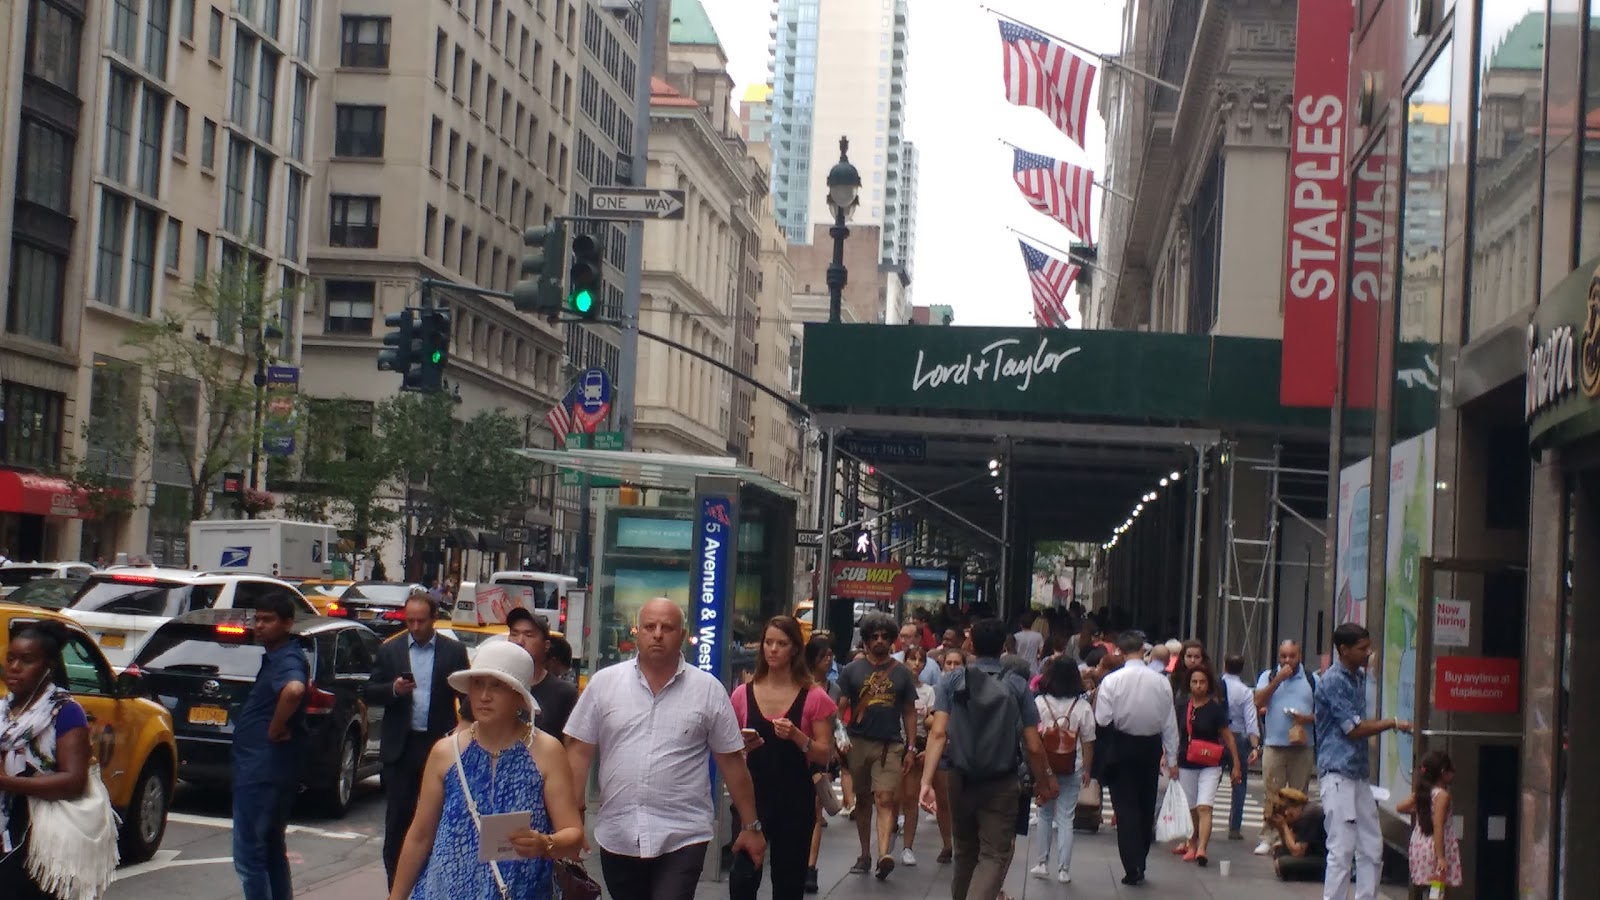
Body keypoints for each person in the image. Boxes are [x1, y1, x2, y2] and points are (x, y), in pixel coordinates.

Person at [564, 598, 766, 900]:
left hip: (683, 835)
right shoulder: (604, 684)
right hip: (618, 833)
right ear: (637, 633)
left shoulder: (707, 689)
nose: (657, 634)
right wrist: (572, 821)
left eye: (667, 627)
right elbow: (579, 753)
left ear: (682, 635)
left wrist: (751, 826)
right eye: (650, 627)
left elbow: (732, 762)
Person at [386, 641, 585, 900]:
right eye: (478, 684)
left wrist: (545, 843)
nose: (484, 696)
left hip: (521, 890)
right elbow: (420, 836)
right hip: (445, 890)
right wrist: (397, 896)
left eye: (497, 686)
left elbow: (573, 833)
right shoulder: (446, 751)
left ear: (519, 695)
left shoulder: (547, 751)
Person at [920, 617, 1056, 900]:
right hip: (1001, 780)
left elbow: (938, 733)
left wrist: (926, 781)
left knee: (965, 852)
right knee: (994, 854)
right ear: (1005, 647)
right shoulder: (1018, 685)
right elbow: (1032, 744)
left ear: (971, 645)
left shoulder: (952, 680)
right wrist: (1043, 780)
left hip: (960, 776)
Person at [369, 591, 471, 886]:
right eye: (409, 620)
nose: (414, 627)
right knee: (398, 822)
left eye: (420, 621)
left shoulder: (453, 652)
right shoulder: (390, 650)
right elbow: (371, 690)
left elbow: (466, 697)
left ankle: (431, 883)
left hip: (437, 745)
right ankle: (396, 886)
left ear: (434, 619)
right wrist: (394, 689)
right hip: (401, 747)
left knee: (436, 820)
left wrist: (463, 731)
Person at [729, 616, 835, 900]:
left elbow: (825, 752)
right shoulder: (742, 694)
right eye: (768, 642)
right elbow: (727, 748)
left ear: (795, 650)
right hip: (752, 797)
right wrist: (744, 746)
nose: (773, 649)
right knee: (742, 878)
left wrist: (799, 737)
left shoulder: (814, 697)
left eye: (782, 643)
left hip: (795, 799)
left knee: (788, 882)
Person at [1314, 623, 1411, 900]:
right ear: (1343, 650)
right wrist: (1391, 722)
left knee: (1371, 846)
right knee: (1342, 848)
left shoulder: (1357, 677)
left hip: (1357, 774)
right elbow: (1353, 728)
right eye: (1361, 648)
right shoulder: (1334, 680)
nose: (1367, 653)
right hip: (1337, 773)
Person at [0, 622, 92, 900]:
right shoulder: (4, 710)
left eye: (27, 661)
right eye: (11, 658)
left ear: (48, 667)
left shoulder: (65, 712)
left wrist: (6, 782)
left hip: (38, 837)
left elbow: (74, 781)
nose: (15, 667)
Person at [232, 593, 310, 900]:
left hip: (262, 771)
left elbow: (293, 690)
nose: (259, 625)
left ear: (287, 623)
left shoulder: (287, 658)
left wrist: (276, 728)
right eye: (257, 618)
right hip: (268, 770)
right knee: (272, 850)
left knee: (250, 858)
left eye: (268, 620)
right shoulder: (278, 655)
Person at [835, 611, 919, 881]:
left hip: (890, 745)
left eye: (885, 636)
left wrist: (911, 747)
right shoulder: (852, 671)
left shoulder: (902, 673)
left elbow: (909, 712)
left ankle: (884, 853)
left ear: (892, 639)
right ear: (867, 640)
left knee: (885, 798)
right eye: (874, 636)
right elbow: (839, 709)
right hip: (858, 742)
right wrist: (839, 738)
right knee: (863, 802)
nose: (880, 640)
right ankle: (864, 853)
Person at [1092, 631, 1180, 886]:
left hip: (1121, 744)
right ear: (1144, 650)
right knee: (1145, 801)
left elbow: (1102, 720)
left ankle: (1132, 864)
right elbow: (1169, 723)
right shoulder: (1161, 682)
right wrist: (1172, 759)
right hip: (1150, 746)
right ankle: (1140, 855)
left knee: (1125, 805)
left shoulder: (1112, 681)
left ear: (1118, 650)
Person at [1030, 656, 1095, 884]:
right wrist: (1087, 768)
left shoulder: (1039, 703)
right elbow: (1088, 740)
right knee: (1066, 817)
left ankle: (1041, 862)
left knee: (1045, 814)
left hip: (1044, 767)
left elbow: (1032, 738)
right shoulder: (1083, 706)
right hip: (1072, 765)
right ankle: (1064, 869)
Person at [1170, 663, 1241, 866]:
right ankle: (1191, 844)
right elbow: (1175, 735)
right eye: (1194, 682)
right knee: (1191, 807)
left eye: (1202, 682)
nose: (1198, 686)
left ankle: (1202, 848)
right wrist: (1169, 757)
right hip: (1187, 762)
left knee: (1204, 806)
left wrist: (1236, 763)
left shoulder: (1215, 709)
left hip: (1211, 763)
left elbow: (1228, 737)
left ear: (1208, 684)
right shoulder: (1184, 708)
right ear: (1189, 684)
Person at [1254, 639, 1318, 855]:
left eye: (1292, 656)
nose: (1287, 660)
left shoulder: (1312, 679)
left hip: (1303, 746)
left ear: (1299, 656)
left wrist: (1306, 718)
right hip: (1274, 745)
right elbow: (1258, 701)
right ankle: (1268, 835)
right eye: (1283, 656)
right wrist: (1278, 680)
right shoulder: (1268, 676)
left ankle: (1295, 836)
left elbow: (1323, 713)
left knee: (1299, 795)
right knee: (1272, 792)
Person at [804, 634, 841, 893]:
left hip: (819, 757)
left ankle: (810, 867)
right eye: (823, 656)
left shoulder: (833, 689)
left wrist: (838, 746)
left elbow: (836, 722)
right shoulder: (798, 685)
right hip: (797, 757)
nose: (828, 661)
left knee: (815, 813)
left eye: (830, 656)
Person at [896, 645, 939, 867]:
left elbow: (933, 723)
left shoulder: (928, 691)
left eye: (920, 660)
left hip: (917, 745)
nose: (916, 664)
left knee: (911, 796)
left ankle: (907, 847)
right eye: (912, 659)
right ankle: (890, 832)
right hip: (893, 744)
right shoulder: (896, 686)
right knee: (891, 796)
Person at [506, 608, 578, 738]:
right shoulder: (492, 681)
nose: (519, 641)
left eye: (529, 635)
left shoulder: (564, 693)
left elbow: (571, 748)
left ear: (546, 645)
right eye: (514, 634)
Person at [1397, 751, 1462, 896]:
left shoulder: (1422, 792)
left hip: (1420, 843)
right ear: (1443, 772)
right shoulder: (1442, 795)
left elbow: (1400, 807)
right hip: (1437, 847)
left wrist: (1420, 810)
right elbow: (1438, 826)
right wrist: (1441, 858)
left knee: (1433, 890)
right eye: (1451, 770)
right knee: (1441, 891)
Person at [1220, 654, 1261, 840]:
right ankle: (1234, 827)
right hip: (1238, 738)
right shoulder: (1245, 691)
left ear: (1224, 665)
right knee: (1239, 783)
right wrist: (1255, 745)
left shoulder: (1217, 686)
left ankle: (1202, 819)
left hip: (1218, 736)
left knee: (1210, 779)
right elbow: (1251, 721)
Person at [1267, 787, 1327, 882]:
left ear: (1288, 812)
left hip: (1325, 857)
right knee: (1279, 851)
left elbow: (1297, 852)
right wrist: (1281, 830)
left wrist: (1284, 826)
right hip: (1315, 852)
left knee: (1281, 864)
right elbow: (1289, 845)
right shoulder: (1305, 811)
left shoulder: (1309, 815)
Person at [1013, 611, 1044, 675]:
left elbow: (1013, 651)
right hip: (1033, 668)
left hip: (1018, 668)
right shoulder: (1038, 636)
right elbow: (1041, 651)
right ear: (1032, 624)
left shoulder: (1016, 636)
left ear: (1020, 624)